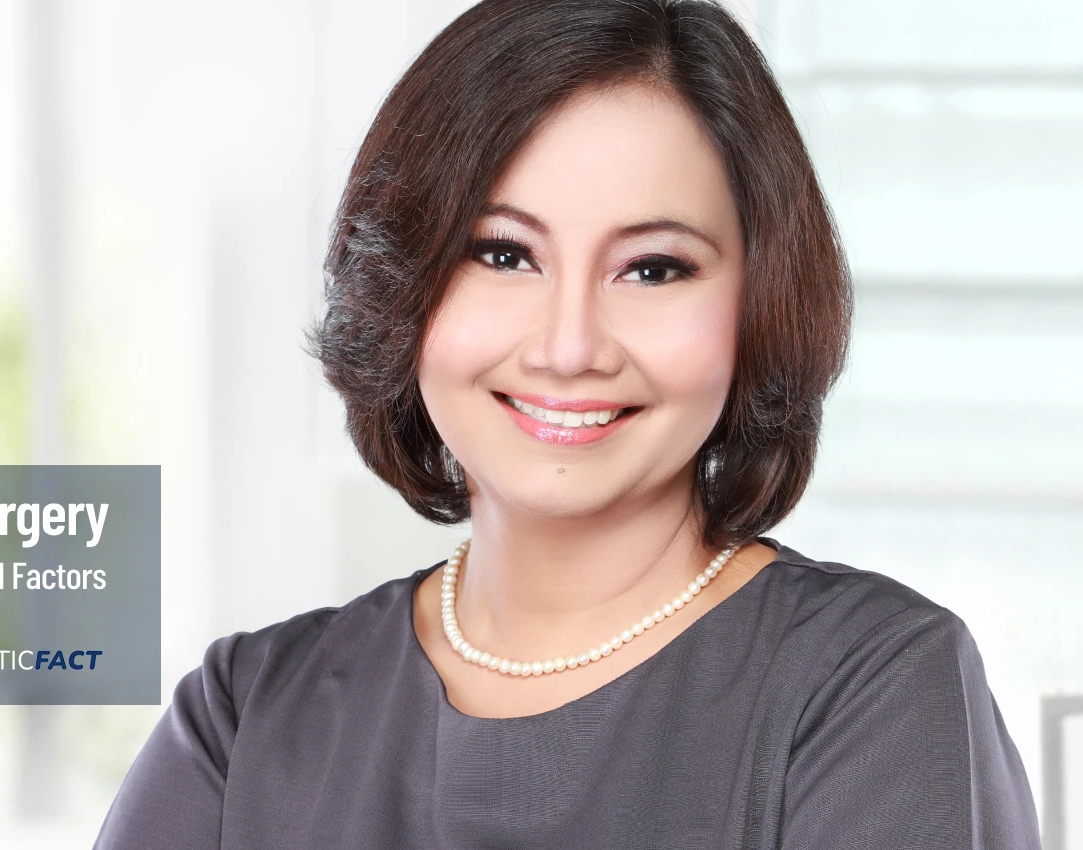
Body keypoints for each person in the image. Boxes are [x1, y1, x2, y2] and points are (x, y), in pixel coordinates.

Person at [94, 0, 1043, 846]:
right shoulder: (248, 715)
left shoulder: (873, 687)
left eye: (654, 268)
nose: (569, 344)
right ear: (406, 284)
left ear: (757, 302)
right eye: (504, 255)